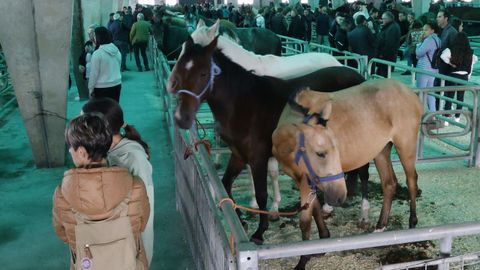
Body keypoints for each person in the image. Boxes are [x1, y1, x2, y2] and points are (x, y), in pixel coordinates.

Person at [52, 113, 150, 269]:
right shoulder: (135, 186)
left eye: (70, 148)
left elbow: (63, 235)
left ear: (82, 152)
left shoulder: (62, 195)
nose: (70, 152)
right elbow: (141, 224)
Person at [81, 98, 154, 265]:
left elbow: (141, 211)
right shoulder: (103, 152)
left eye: (82, 125)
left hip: (128, 244)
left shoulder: (134, 159)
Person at [440, 32, 478, 122]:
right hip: (464, 76)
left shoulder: (451, 50)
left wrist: (450, 63)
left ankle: (447, 117)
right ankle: (457, 117)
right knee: (460, 97)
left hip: (453, 75)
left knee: (450, 96)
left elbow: (443, 56)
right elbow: (474, 60)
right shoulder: (470, 52)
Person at [88, 26, 122, 102]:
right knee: (113, 110)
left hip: (101, 87)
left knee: (101, 111)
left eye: (94, 36)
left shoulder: (97, 53)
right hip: (116, 84)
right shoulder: (117, 51)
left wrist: (90, 89)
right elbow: (118, 66)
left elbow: (94, 74)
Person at [416, 22, 441, 112]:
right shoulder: (438, 39)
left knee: (421, 92)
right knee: (430, 92)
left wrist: (419, 43)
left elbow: (419, 53)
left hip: (424, 69)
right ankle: (432, 112)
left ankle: (420, 113)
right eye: (423, 29)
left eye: (426, 30)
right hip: (433, 69)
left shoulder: (428, 40)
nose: (423, 31)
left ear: (432, 30)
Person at [376, 11, 401, 78]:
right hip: (386, 56)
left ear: (388, 19)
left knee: (383, 75)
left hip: (386, 57)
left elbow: (389, 44)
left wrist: (382, 54)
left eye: (383, 18)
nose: (382, 20)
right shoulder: (390, 26)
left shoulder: (392, 28)